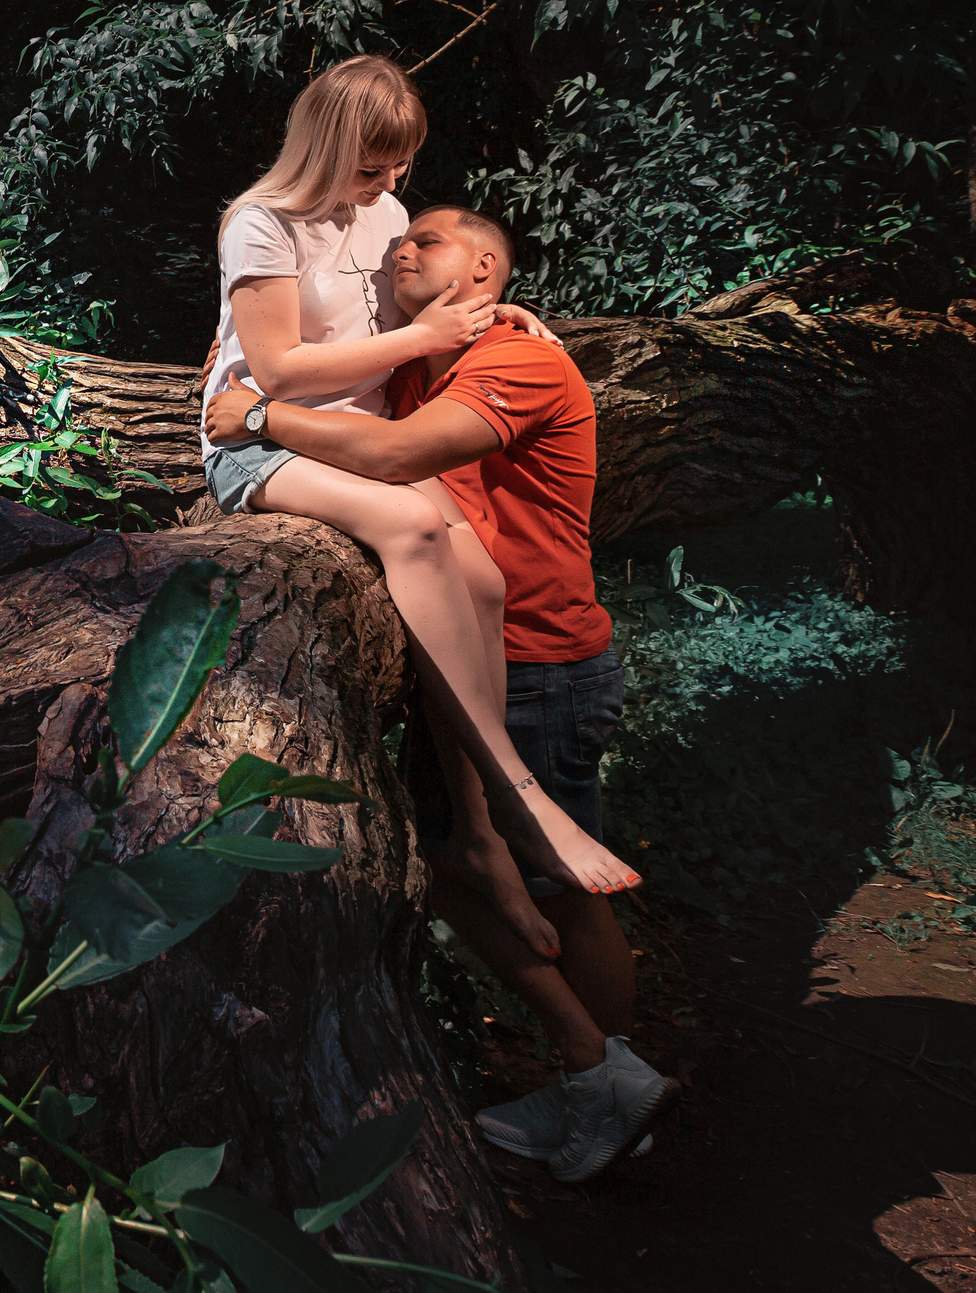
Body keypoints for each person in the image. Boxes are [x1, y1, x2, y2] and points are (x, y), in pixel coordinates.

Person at [205, 203, 677, 1181]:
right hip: (471, 651)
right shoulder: (427, 356)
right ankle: (602, 1080)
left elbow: (390, 455)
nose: (401, 248)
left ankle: (607, 1087)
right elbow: (295, 354)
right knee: (471, 861)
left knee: (548, 883)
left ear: (485, 269)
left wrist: (251, 418)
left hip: (538, 658)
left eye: (428, 240)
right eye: (400, 240)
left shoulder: (515, 359)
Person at [198, 57, 640, 928]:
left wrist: (485, 313)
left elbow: (410, 316)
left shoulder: (388, 216)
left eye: (400, 164)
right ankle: (518, 797)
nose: (391, 184)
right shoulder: (261, 223)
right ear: (324, 147)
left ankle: (478, 832)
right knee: (413, 524)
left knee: (483, 579)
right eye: (373, 166)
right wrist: (424, 337)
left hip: (359, 438)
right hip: (260, 438)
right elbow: (278, 371)